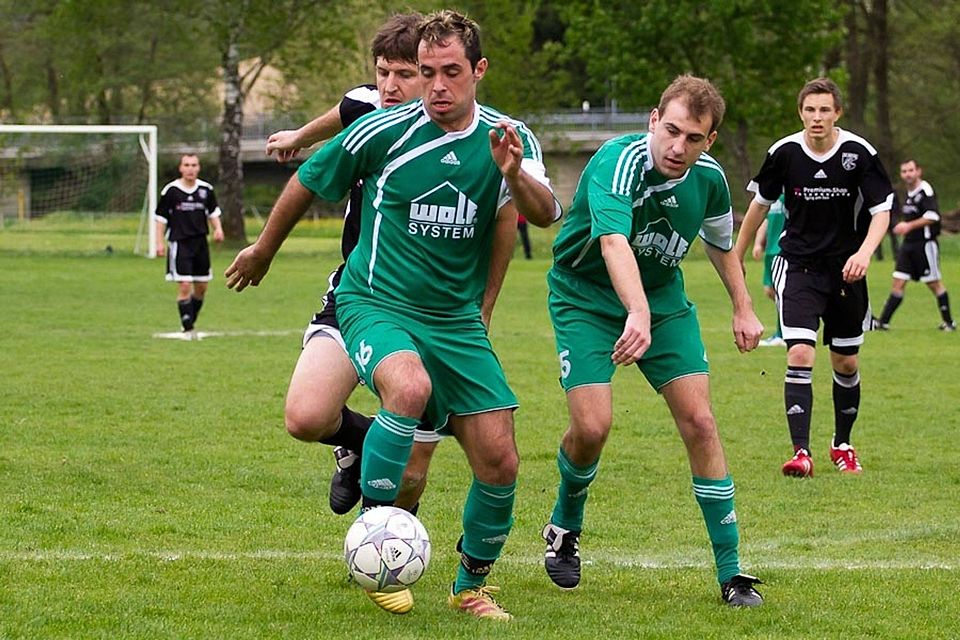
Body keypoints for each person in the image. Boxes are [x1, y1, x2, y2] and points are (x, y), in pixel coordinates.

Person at [226, 10, 560, 620]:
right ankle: (377, 550)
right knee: (407, 386)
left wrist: (513, 174)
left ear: (477, 71)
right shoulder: (382, 130)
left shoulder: (510, 139)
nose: (436, 85)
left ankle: (470, 588)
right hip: (375, 301)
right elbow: (307, 179)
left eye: (450, 72)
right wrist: (263, 250)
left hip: (455, 321)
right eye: (426, 72)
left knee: (499, 456)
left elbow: (544, 213)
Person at [542, 75, 765, 608]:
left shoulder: (708, 179)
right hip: (585, 298)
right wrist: (633, 310)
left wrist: (743, 305)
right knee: (592, 427)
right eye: (670, 131)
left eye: (693, 138)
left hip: (663, 302)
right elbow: (614, 239)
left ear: (709, 141)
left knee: (701, 421)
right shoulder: (616, 162)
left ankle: (732, 573)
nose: (677, 146)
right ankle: (565, 525)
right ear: (651, 120)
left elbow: (720, 244)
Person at [257, 14, 438, 519]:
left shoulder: (457, 135)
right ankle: (361, 445)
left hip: (431, 308)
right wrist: (298, 136)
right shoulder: (369, 105)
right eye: (383, 72)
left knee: (410, 475)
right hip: (356, 292)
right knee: (305, 416)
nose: (389, 86)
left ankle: (387, 548)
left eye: (403, 74)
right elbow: (343, 110)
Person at [735, 77, 893, 478]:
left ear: (837, 112)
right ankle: (800, 453)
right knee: (800, 352)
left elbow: (881, 212)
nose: (817, 117)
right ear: (800, 112)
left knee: (845, 361)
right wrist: (736, 255)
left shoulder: (859, 153)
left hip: (846, 270)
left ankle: (842, 445)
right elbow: (759, 205)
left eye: (825, 109)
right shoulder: (784, 153)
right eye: (810, 109)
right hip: (799, 266)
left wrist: (864, 253)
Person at [874, 159, 955, 331]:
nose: (907, 174)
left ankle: (949, 323)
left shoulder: (925, 190)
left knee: (934, 283)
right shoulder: (909, 194)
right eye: (904, 171)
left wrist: (908, 226)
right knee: (898, 282)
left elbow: (932, 216)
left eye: (911, 170)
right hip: (908, 245)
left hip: (924, 245)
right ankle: (883, 322)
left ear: (919, 171)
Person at [155, 153, 224, 336]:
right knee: (185, 284)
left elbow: (213, 212)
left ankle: (188, 320)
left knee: (201, 287)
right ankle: (188, 328)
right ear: (180, 168)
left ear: (198, 168)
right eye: (186, 165)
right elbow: (160, 219)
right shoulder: (171, 191)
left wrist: (218, 229)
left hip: (201, 243)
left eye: (194, 165)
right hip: (179, 243)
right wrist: (159, 242)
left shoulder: (206, 190)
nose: (190, 168)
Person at [751, 194, 787, 346]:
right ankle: (784, 332)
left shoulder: (790, 194)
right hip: (771, 251)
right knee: (770, 291)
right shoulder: (773, 195)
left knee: (782, 293)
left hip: (784, 249)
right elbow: (765, 219)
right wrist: (758, 243)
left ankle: (783, 335)